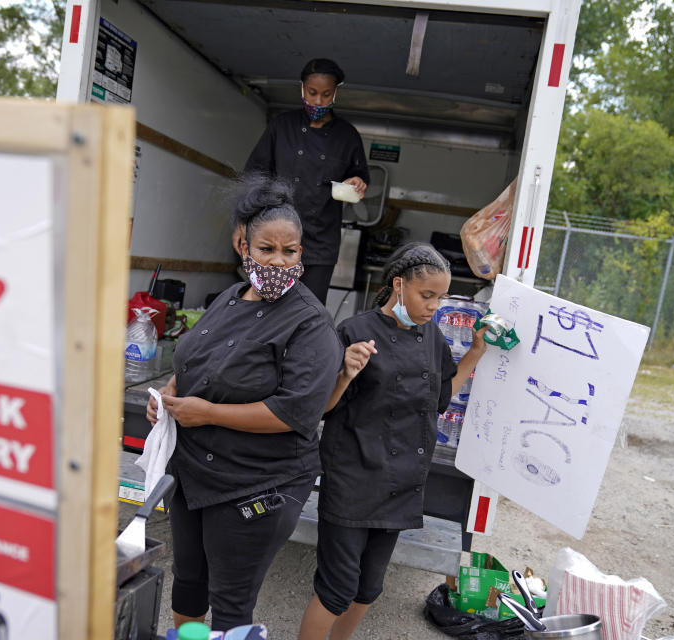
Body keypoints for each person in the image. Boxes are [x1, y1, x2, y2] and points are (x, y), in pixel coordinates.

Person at [147, 175, 343, 632]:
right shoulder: (229, 299)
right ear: (244, 247)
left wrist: (207, 413)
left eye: (289, 251)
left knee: (231, 603)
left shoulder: (311, 324)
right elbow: (195, 361)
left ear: (301, 253)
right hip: (195, 471)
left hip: (257, 484)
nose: (278, 261)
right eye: (266, 249)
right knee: (188, 584)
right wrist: (170, 395)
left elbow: (296, 411)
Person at [296, 242, 490, 640]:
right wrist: (346, 373)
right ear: (398, 286)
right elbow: (322, 408)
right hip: (353, 479)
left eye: (440, 297)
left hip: (400, 485)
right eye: (426, 295)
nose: (434, 306)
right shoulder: (354, 331)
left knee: (368, 590)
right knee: (336, 590)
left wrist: (475, 352)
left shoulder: (431, 336)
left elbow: (440, 399)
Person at [240, 58, 370, 304]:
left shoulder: (347, 136)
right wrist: (242, 225)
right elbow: (253, 177)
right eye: (312, 93)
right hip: (274, 236)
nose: (318, 101)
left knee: (308, 308)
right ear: (301, 88)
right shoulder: (281, 126)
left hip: (320, 242)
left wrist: (357, 182)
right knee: (265, 303)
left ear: (336, 93)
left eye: (326, 94)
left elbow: (359, 179)